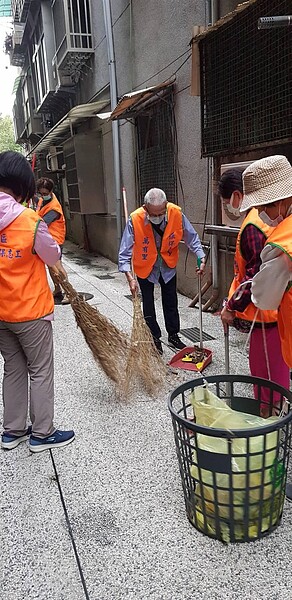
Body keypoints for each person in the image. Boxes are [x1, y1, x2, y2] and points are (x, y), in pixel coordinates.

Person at [0, 151, 74, 452]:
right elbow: (53, 255)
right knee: (40, 369)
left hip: (1, 312)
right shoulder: (29, 219)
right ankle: (42, 434)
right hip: (30, 310)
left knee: (13, 368)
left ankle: (12, 431)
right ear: (22, 184)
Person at [239, 154, 292, 499]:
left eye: (265, 207)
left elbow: (266, 295)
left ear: (281, 200)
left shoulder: (282, 240)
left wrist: (239, 300)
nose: (263, 214)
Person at [220, 169, 289, 416]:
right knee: (277, 374)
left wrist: (231, 307)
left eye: (264, 206)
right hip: (277, 312)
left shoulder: (255, 227)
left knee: (268, 379)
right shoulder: (276, 223)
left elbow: (255, 280)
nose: (262, 212)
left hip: (267, 315)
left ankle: (271, 422)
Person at [118, 187, 206, 354]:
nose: (157, 217)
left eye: (160, 213)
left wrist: (201, 257)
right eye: (153, 214)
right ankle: (154, 338)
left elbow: (191, 237)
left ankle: (173, 335)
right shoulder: (135, 219)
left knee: (171, 302)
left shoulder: (175, 213)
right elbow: (124, 251)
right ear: (145, 208)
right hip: (145, 267)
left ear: (166, 205)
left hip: (167, 265)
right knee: (148, 305)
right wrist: (130, 277)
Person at [36, 177, 68, 304]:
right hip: (46, 240)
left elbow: (42, 223)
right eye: (41, 193)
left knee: (57, 267)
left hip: (55, 240)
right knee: (51, 267)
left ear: (51, 192)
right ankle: (57, 289)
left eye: (45, 194)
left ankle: (68, 292)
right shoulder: (42, 202)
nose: (43, 196)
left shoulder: (54, 208)